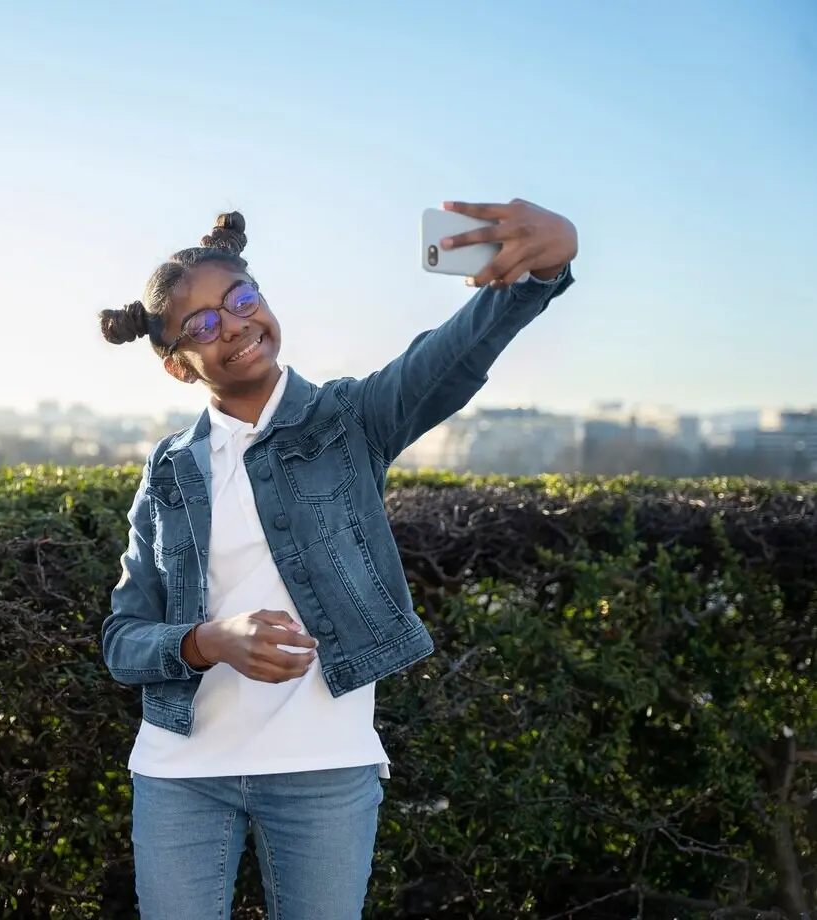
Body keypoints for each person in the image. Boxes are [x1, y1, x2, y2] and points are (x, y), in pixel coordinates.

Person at [97, 200, 577, 919]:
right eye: (201, 325)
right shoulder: (167, 471)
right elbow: (122, 642)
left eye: (241, 299)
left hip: (322, 768)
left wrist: (548, 265)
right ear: (176, 367)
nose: (232, 325)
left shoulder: (351, 421)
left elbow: (450, 357)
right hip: (180, 775)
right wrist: (207, 643)